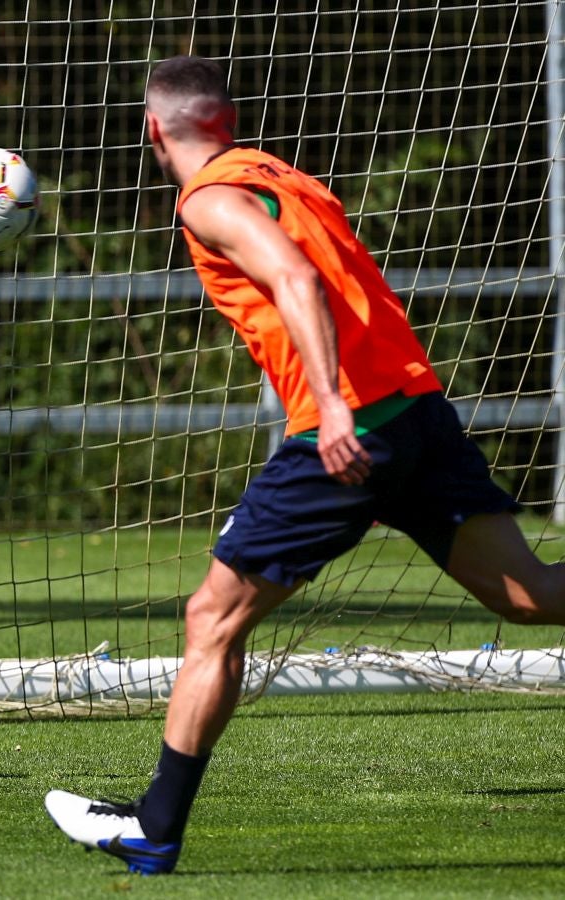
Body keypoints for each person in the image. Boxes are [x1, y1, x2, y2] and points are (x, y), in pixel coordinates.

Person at [42, 55, 565, 874]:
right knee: (534, 596)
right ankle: (155, 822)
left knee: (211, 618)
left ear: (154, 130)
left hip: (350, 427)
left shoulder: (210, 197)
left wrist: (332, 407)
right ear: (229, 118)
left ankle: (155, 828)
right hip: (418, 409)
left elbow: (295, 280)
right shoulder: (282, 174)